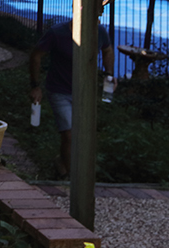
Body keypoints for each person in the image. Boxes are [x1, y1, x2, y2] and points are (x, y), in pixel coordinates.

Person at [28, 15, 114, 179]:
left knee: (82, 134)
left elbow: (108, 49)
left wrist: (109, 74)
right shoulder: (57, 33)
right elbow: (36, 55)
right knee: (69, 133)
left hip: (85, 92)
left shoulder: (99, 32)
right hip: (59, 90)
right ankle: (71, 178)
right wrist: (35, 86)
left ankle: (63, 163)